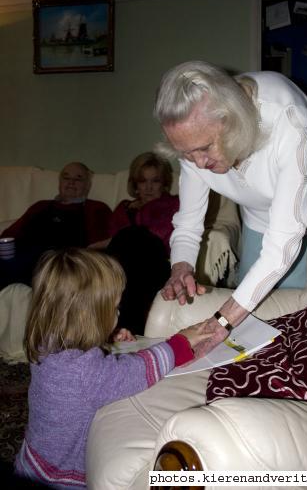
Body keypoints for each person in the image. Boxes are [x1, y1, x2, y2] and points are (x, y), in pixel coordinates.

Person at [154, 60, 307, 343]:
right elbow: (188, 223)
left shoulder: (286, 115)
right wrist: (180, 267)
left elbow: (282, 245)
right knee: (253, 316)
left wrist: (223, 320)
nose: (198, 163)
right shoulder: (193, 138)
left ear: (233, 120)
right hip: (260, 213)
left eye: (205, 148)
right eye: (186, 154)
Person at [14, 248, 214, 489]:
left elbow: (80, 355)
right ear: (89, 316)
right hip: (62, 478)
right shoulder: (83, 373)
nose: (118, 314)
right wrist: (179, 343)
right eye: (114, 308)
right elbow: (138, 371)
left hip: (33, 459)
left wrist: (104, 338)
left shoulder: (46, 339)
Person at [90, 152, 179, 334]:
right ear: (135, 184)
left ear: (164, 184)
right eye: (143, 181)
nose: (148, 187)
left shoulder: (173, 204)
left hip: (154, 265)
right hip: (119, 267)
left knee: (134, 235)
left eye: (155, 181)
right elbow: (112, 241)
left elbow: (162, 235)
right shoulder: (123, 207)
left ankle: (127, 326)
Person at [0, 162, 112, 289]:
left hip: (62, 264)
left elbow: (98, 247)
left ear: (87, 186)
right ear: (59, 183)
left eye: (78, 179)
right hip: (25, 259)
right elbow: (9, 235)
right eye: (66, 178)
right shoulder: (40, 206)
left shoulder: (96, 209)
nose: (71, 182)